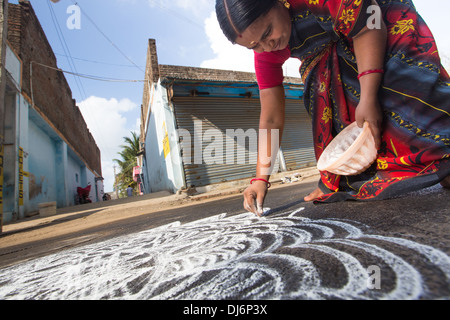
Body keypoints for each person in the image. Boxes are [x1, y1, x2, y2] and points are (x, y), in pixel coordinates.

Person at [215, 0, 450, 216]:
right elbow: (271, 117)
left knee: (402, 86)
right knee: (321, 87)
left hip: (377, 20)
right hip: (334, 50)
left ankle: (441, 157)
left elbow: (370, 23)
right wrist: (260, 179)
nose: (267, 47)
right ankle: (341, 179)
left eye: (267, 32)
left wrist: (368, 97)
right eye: (253, 46)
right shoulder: (267, 51)